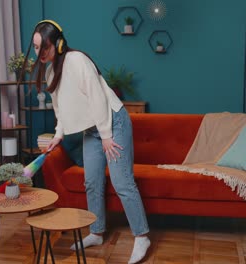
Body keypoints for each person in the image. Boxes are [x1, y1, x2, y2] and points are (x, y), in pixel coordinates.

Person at [21, 20, 150, 264]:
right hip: (92, 129)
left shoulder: (78, 60)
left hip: (113, 122)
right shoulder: (50, 71)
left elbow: (98, 98)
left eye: (44, 48)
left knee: (122, 182)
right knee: (91, 181)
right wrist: (58, 135)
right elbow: (60, 109)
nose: (39, 54)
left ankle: (142, 236)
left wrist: (107, 136)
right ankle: (97, 232)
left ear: (58, 44)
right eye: (36, 48)